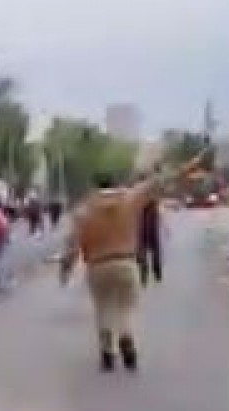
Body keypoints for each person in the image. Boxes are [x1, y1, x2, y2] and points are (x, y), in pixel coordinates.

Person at [60, 155, 206, 372]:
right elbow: (162, 180)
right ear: (115, 183)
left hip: (97, 266)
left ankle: (107, 351)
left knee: (103, 308)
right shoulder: (130, 198)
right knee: (125, 308)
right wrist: (190, 165)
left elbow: (72, 244)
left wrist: (66, 269)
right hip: (126, 262)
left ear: (94, 186)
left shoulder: (83, 210)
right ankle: (126, 335)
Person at [137, 197, 163, 286]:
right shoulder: (153, 204)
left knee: (142, 252)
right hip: (152, 230)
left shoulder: (138, 203)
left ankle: (144, 276)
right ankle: (157, 274)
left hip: (142, 231)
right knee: (155, 251)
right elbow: (158, 217)